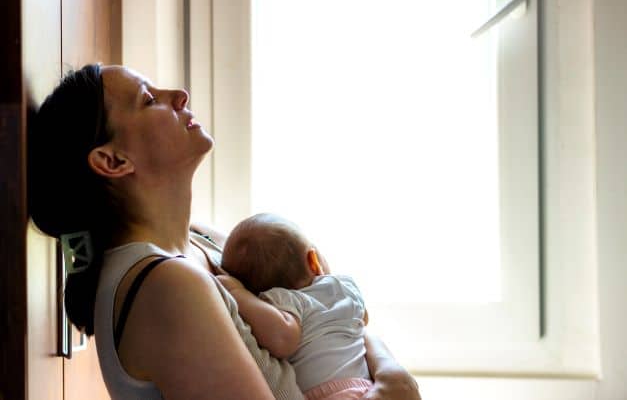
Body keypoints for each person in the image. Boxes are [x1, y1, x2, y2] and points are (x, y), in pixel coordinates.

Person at [27, 63, 422, 400]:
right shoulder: (166, 284)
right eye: (149, 99)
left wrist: (392, 371)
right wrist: (392, 379)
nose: (179, 94)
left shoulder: (204, 241)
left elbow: (330, 310)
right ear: (113, 161)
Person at [218, 213, 372, 400]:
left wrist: (237, 293)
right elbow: (363, 319)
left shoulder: (284, 300)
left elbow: (282, 341)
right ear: (313, 261)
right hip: (365, 386)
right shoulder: (345, 286)